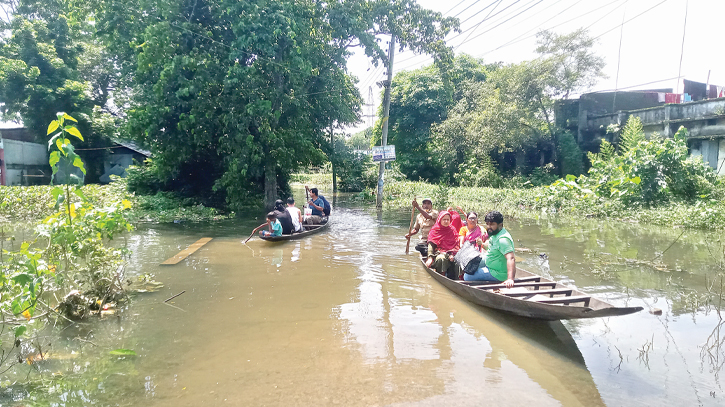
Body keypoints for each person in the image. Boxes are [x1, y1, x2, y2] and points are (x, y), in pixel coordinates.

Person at [464, 211, 516, 288]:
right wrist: (482, 244)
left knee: (467, 276)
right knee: (469, 264)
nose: (489, 227)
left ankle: (482, 286)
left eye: (492, 224)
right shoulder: (495, 233)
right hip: (489, 262)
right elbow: (493, 248)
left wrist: (510, 279)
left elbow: (511, 258)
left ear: (500, 225)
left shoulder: (503, 239)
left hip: (497, 272)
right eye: (487, 224)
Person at [425, 211, 460, 280]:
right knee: (441, 259)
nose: (446, 221)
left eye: (448, 219)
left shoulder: (452, 230)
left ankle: (456, 279)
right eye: (444, 219)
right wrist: (430, 258)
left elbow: (457, 244)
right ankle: (442, 277)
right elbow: (431, 245)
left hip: (452, 253)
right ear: (440, 220)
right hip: (439, 252)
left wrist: (452, 254)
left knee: (459, 261)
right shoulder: (434, 230)